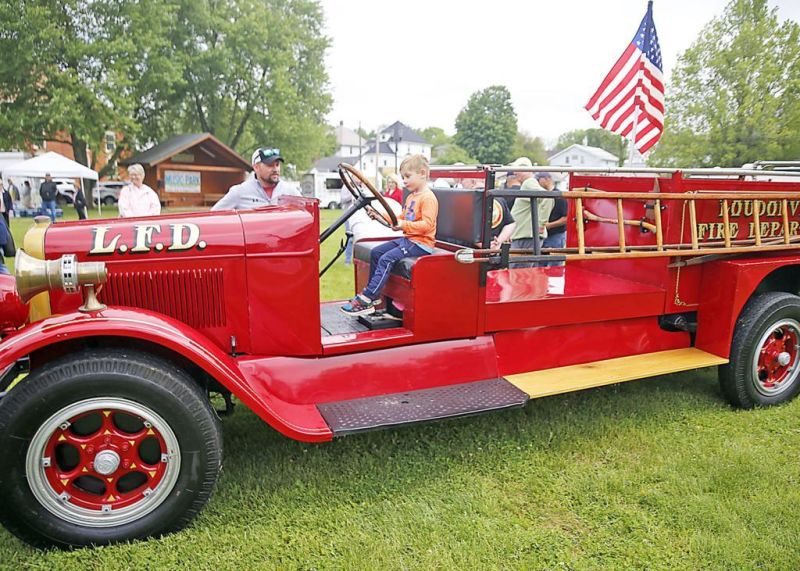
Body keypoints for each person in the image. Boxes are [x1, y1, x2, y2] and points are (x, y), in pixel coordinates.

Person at [341, 154, 438, 316]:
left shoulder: (428, 198)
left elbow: (427, 225)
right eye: (402, 177)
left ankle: (367, 298)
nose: (404, 181)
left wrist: (403, 225)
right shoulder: (412, 197)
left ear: (422, 173)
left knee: (387, 258)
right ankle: (374, 296)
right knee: (376, 252)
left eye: (407, 176)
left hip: (421, 244)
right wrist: (379, 215)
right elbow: (399, 219)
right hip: (408, 240)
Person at [212, 147, 300, 211]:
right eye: (270, 165)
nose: (275, 169)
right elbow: (213, 216)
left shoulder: (290, 191)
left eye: (277, 165)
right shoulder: (239, 192)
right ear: (256, 167)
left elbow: (308, 215)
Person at [508, 159, 554, 268]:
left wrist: (541, 224)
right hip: (525, 236)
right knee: (521, 273)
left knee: (518, 274)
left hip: (526, 237)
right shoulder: (528, 184)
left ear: (526, 169)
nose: (514, 173)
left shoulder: (529, 183)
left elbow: (548, 198)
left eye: (517, 170)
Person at [538, 173, 567, 266]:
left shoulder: (559, 196)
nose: (537, 182)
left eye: (539, 179)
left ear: (546, 179)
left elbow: (566, 218)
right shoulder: (542, 195)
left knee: (555, 265)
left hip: (556, 236)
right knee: (540, 264)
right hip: (543, 235)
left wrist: (549, 225)